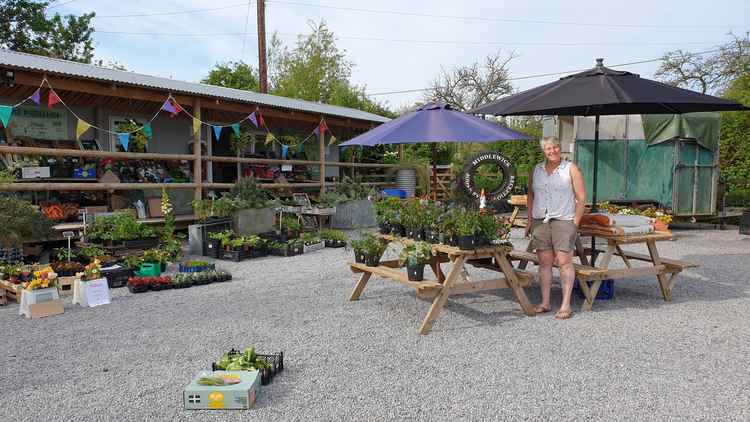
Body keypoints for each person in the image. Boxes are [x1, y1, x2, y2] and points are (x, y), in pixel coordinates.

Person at [524, 136, 586, 319]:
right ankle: (545, 302)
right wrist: (529, 220)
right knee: (544, 263)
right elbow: (530, 195)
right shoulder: (536, 170)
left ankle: (566, 305)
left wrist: (575, 222)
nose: (552, 151)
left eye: (555, 148)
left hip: (564, 221)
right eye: (549, 149)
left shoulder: (571, 169)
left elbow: (581, 198)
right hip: (540, 220)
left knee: (564, 262)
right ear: (544, 151)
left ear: (560, 148)